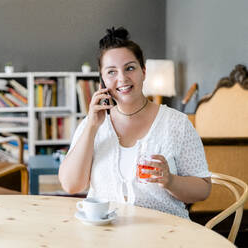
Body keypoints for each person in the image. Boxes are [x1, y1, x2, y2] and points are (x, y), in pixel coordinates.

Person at [58, 27, 211, 219]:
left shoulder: (177, 123)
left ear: (143, 71)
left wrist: (170, 181)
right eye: (111, 72)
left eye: (130, 68)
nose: (122, 78)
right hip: (105, 235)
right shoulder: (92, 124)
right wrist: (91, 127)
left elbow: (203, 189)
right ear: (102, 80)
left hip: (164, 235)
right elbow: (71, 185)